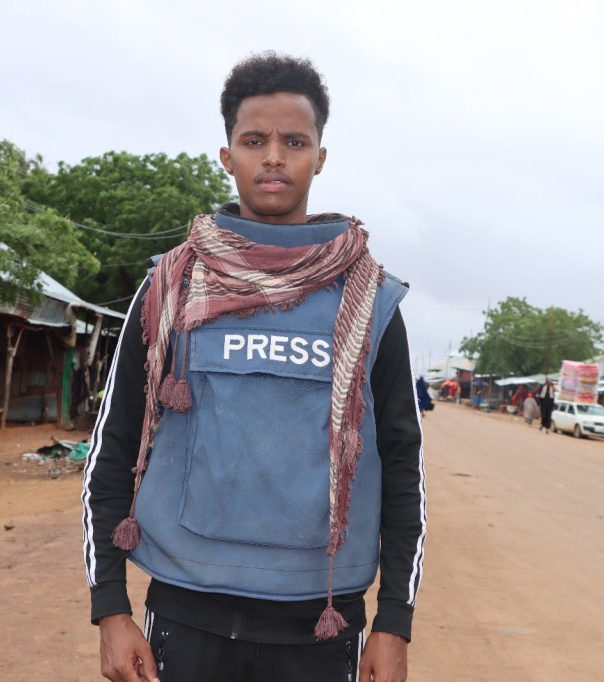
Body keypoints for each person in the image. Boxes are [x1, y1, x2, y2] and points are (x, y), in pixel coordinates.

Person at [82, 53, 426, 682]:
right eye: (254, 140)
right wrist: (111, 608)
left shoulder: (371, 302)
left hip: (321, 625)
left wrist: (394, 620)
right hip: (186, 619)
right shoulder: (171, 286)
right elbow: (114, 449)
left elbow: (402, 469)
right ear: (227, 154)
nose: (273, 157)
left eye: (294, 141)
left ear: (320, 156)